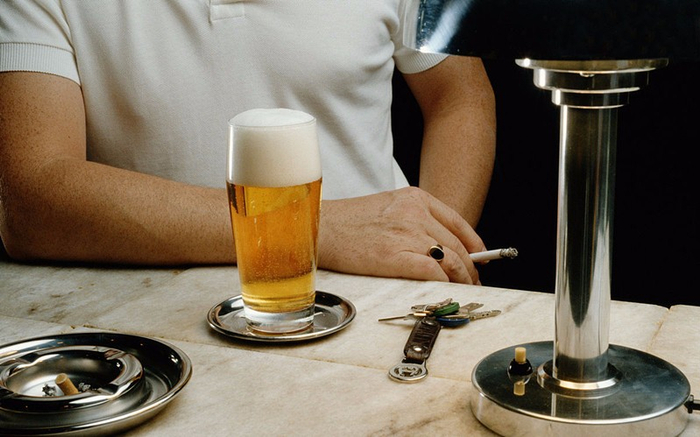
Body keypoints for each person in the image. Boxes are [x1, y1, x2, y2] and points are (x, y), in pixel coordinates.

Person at [0, 0, 496, 285]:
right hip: (151, 326)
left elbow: (459, 99)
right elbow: (31, 197)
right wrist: (315, 230)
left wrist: (436, 246)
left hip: (380, 298)